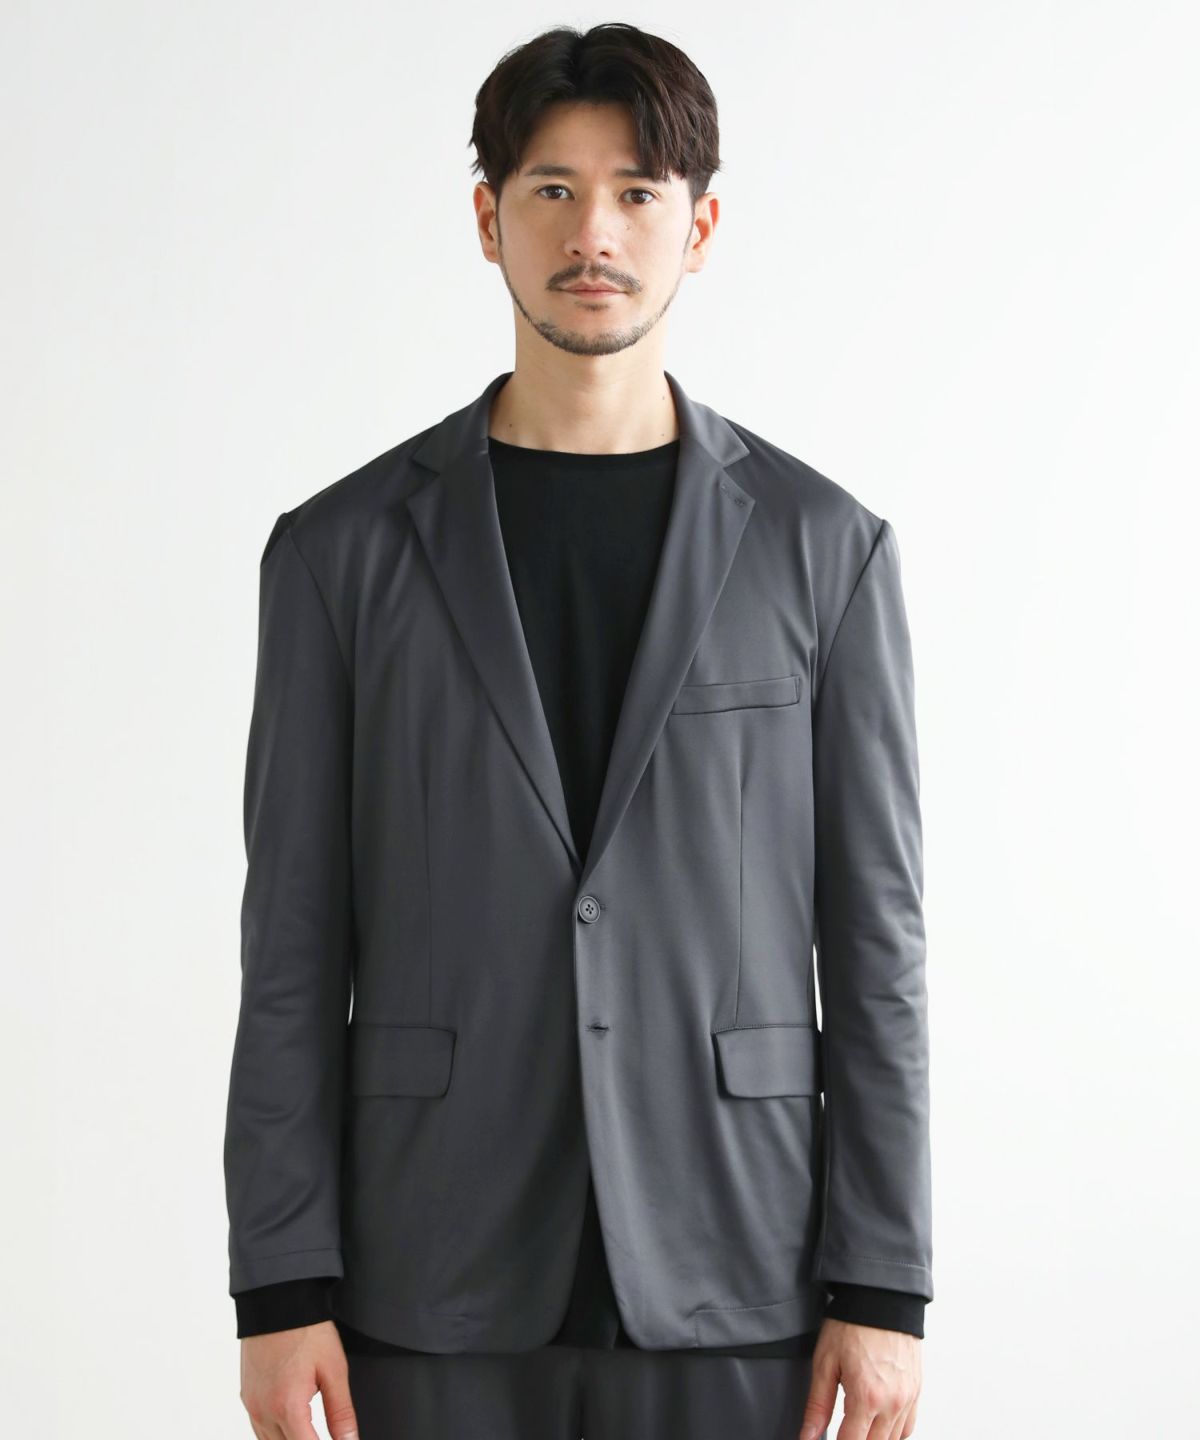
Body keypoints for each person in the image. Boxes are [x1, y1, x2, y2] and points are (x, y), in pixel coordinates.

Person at [224, 22, 932, 1440]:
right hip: (428, 1269)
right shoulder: (340, 554)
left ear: (699, 227)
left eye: (636, 192)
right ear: (488, 219)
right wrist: (278, 1283)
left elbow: (878, 945)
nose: (592, 232)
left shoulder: (823, 550)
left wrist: (886, 1283)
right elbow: (289, 944)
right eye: (551, 189)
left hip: (740, 1263)